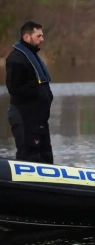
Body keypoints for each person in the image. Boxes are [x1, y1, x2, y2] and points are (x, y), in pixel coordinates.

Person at [5, 21, 54, 164]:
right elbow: (14, 89)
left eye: (42, 36)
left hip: (39, 120)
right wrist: (36, 90)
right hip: (24, 118)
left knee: (46, 157)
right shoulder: (16, 59)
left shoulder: (33, 57)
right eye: (38, 36)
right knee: (29, 156)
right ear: (27, 37)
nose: (42, 39)